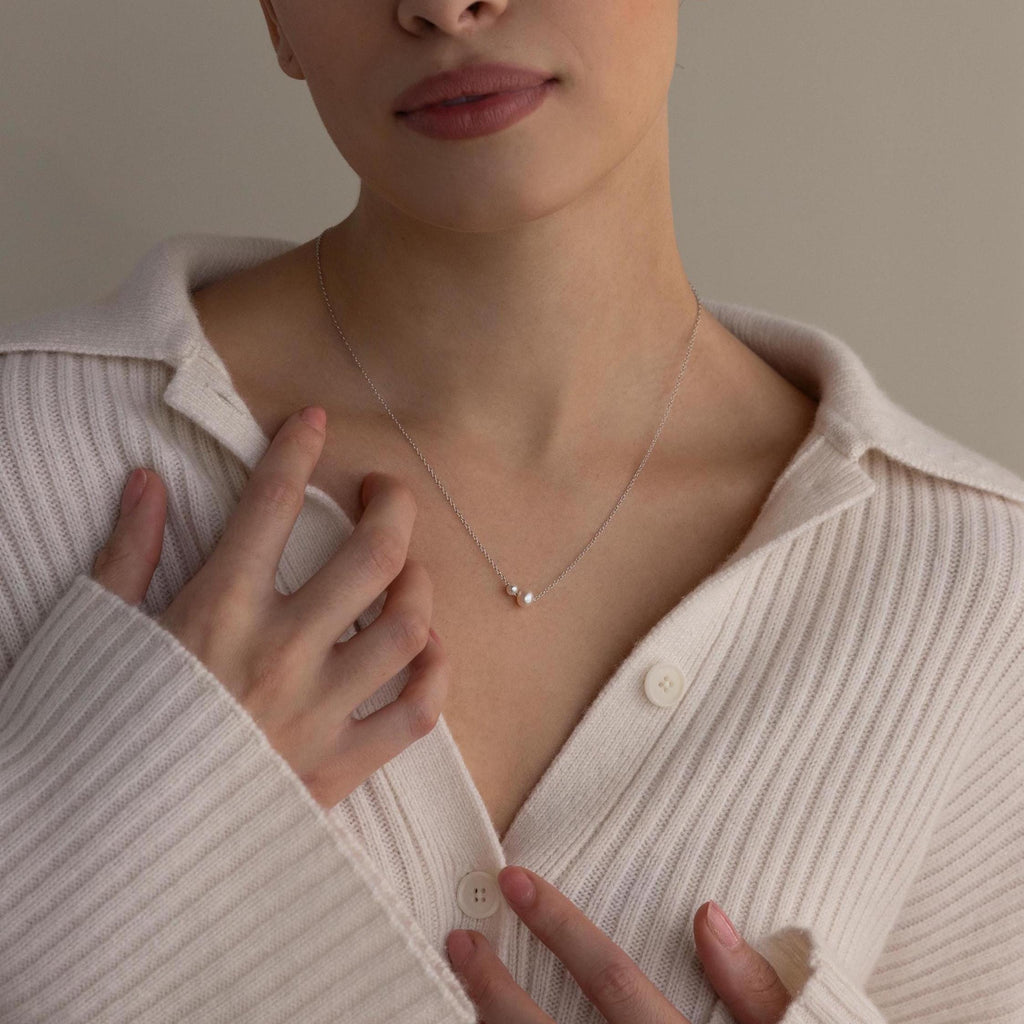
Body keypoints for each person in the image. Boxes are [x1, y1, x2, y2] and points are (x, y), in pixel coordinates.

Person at [1, 1, 1021, 1022]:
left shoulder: (976, 586)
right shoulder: (32, 462)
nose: (445, 6)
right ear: (276, 16)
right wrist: (101, 840)